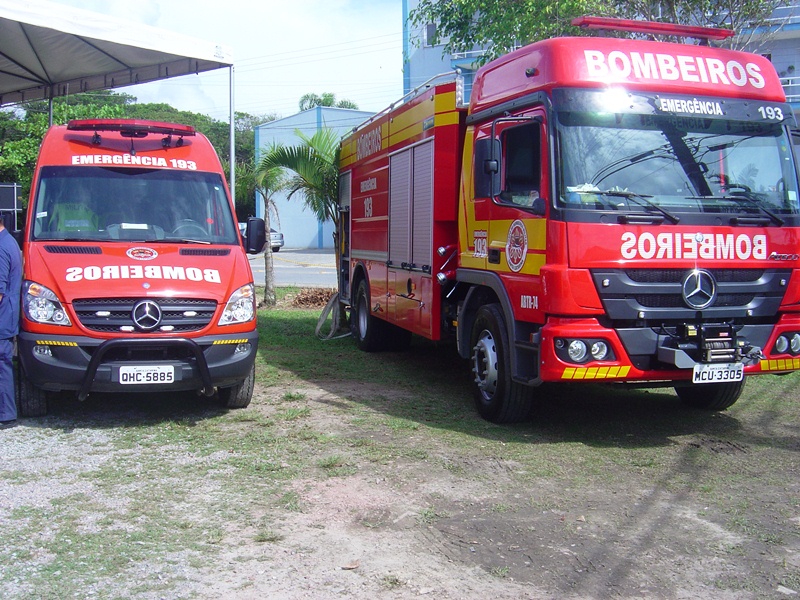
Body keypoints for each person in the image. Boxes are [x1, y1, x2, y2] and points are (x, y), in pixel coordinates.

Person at [0, 213, 22, 429]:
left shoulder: (0, 247)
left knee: (2, 366)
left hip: (2, 318)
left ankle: (6, 414)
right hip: (7, 316)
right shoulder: (10, 242)